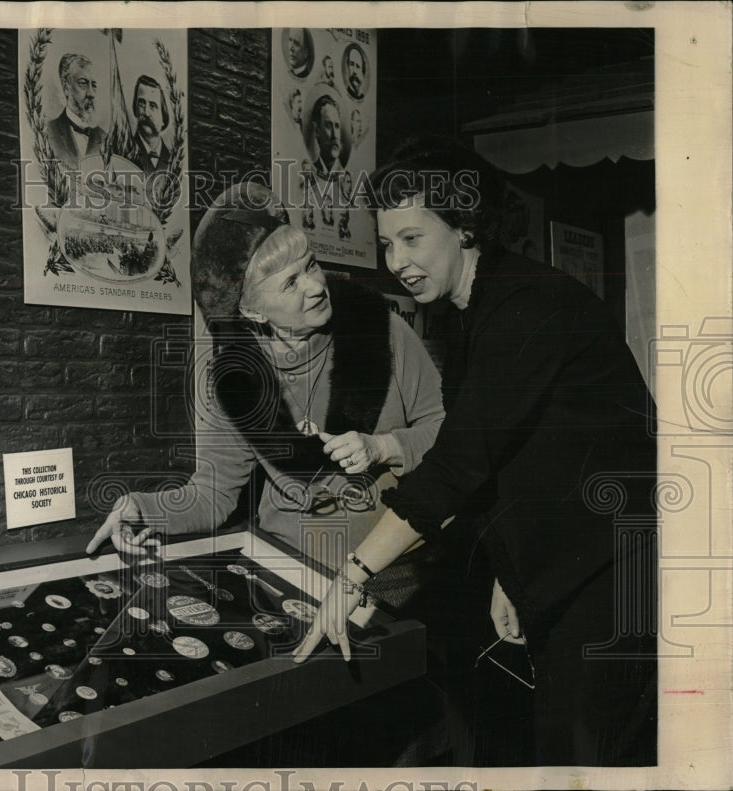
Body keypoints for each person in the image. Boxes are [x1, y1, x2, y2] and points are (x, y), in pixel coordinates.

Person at [293, 138, 658, 767]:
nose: (398, 260)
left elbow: (460, 465)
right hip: (575, 573)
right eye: (386, 244)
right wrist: (507, 574)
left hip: (617, 575)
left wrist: (353, 574)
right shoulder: (480, 309)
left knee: (579, 763)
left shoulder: (525, 305)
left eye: (411, 238)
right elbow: (519, 460)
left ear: (463, 227)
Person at [86, 182, 445, 589]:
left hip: (391, 572)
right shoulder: (235, 377)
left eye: (310, 265)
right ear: (252, 310)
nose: (315, 286)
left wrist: (385, 447)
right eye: (291, 283)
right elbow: (213, 492)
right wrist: (143, 508)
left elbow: (453, 435)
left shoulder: (384, 332)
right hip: (286, 567)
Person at [46, 54, 105, 169]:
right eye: (83, 83)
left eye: (94, 85)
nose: (91, 94)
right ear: (66, 86)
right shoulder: (48, 132)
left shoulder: (105, 138)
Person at [129, 74, 171, 175]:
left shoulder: (173, 160)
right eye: (141, 103)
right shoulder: (125, 152)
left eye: (153, 105)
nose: (146, 112)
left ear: (163, 118)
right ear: (135, 109)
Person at [310, 94, 343, 180]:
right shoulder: (310, 171)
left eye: (337, 126)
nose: (335, 135)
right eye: (328, 126)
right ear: (317, 131)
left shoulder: (347, 174)